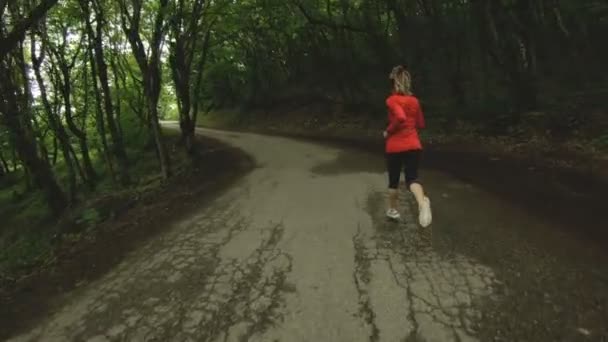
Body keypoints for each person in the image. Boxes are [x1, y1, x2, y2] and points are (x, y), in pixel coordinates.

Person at [383, 65, 432, 227]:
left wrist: (388, 131)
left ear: (393, 84)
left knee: (394, 180)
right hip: (413, 144)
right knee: (412, 178)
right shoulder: (415, 101)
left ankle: (393, 210)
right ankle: (422, 203)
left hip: (395, 146)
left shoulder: (391, 100)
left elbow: (400, 117)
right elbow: (421, 123)